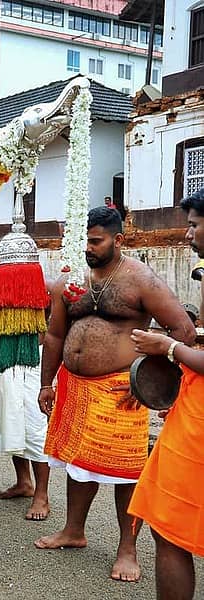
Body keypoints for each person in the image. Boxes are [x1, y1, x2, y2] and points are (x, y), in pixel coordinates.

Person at [35, 206, 195, 583]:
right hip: (75, 387)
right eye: (84, 241)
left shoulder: (140, 279)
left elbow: (183, 331)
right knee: (78, 462)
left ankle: (127, 548)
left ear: (118, 239)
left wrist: (149, 382)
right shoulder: (70, 281)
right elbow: (55, 335)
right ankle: (74, 530)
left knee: (126, 473)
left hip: (123, 389)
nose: (88, 248)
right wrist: (46, 382)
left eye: (96, 241)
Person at [128, 189, 204, 600]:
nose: (188, 234)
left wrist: (168, 348)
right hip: (193, 408)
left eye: (194, 225)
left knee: (170, 527)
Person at [0, 279, 53, 522]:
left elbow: (54, 330)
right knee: (12, 421)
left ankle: (42, 495)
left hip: (34, 360)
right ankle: (24, 482)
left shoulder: (45, 287)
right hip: (5, 358)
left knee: (34, 428)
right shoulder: (1, 287)